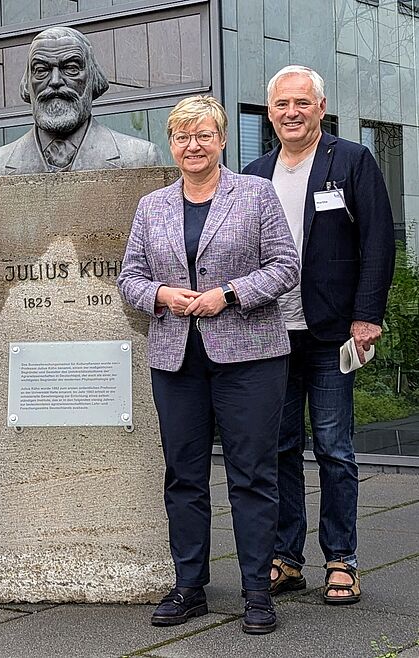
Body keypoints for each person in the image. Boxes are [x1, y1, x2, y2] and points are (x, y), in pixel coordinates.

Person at [117, 95, 299, 635]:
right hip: (177, 360)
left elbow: (286, 266)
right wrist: (161, 295)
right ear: (171, 144)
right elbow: (129, 279)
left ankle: (257, 593)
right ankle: (189, 586)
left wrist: (229, 293)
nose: (192, 146)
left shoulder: (256, 194)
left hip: (250, 358)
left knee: (252, 476)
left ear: (222, 140)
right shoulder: (151, 206)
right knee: (184, 477)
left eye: (203, 135)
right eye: (181, 137)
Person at [243, 65, 395, 605]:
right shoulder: (254, 173)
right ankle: (287, 559)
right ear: (269, 112)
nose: (292, 112)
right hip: (270, 336)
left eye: (302, 103)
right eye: (282, 103)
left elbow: (378, 241)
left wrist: (367, 316)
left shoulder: (350, 161)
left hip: (332, 333)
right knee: (278, 449)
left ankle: (341, 559)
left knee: (334, 449)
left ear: (320, 106)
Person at [0, 26, 162, 176]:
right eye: (41, 70)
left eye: (71, 68)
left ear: (93, 79)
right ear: (27, 84)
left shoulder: (141, 158)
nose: (55, 81)